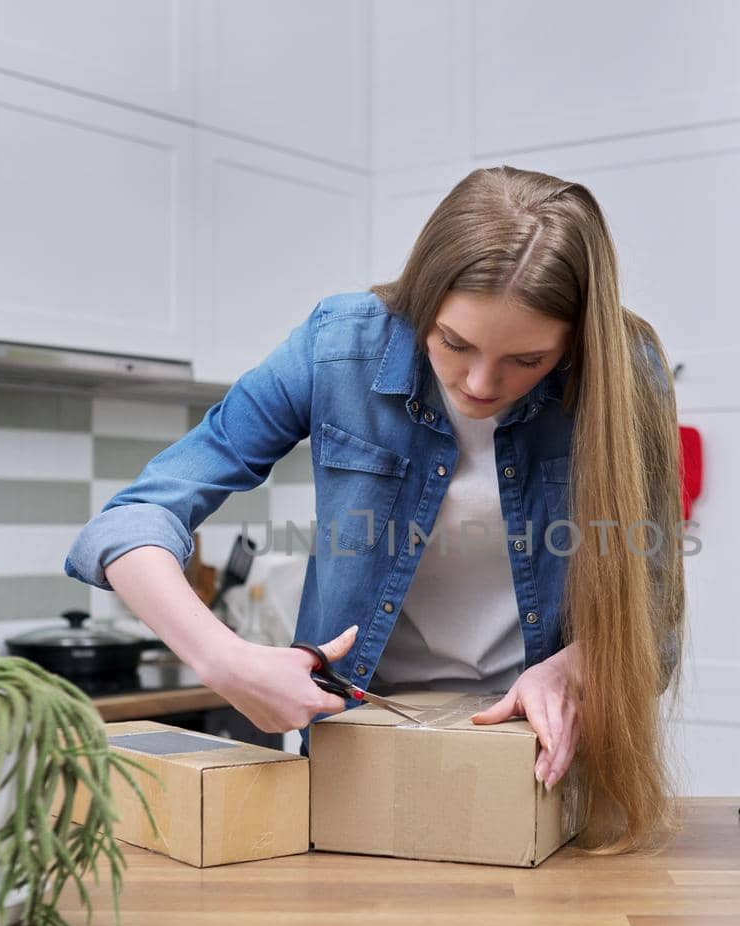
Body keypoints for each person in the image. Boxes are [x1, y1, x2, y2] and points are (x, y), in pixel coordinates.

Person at [65, 165, 686, 852]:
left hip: (543, 768)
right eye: (454, 343)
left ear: (573, 342)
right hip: (361, 753)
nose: (482, 383)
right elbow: (131, 518)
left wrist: (572, 669)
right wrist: (224, 660)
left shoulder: (625, 374)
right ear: (422, 299)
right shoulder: (338, 347)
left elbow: (652, 618)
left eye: (527, 359)